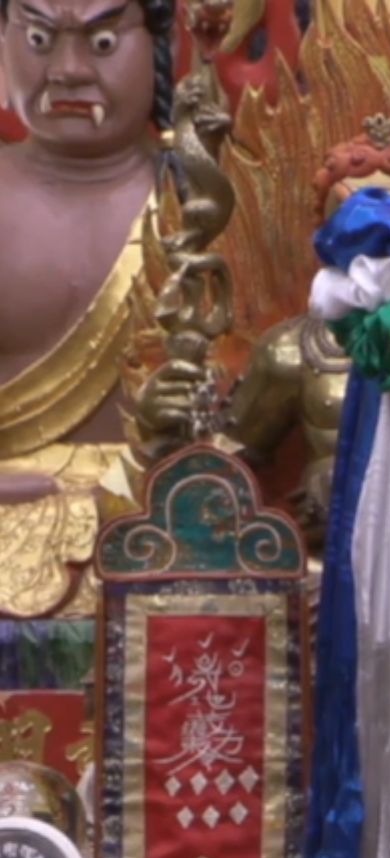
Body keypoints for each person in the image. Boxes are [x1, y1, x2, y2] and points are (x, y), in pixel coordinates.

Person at [0, 0, 171, 617]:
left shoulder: (210, 198)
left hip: (170, 517)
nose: (67, 70)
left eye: (102, 43)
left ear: (161, 46)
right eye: (39, 38)